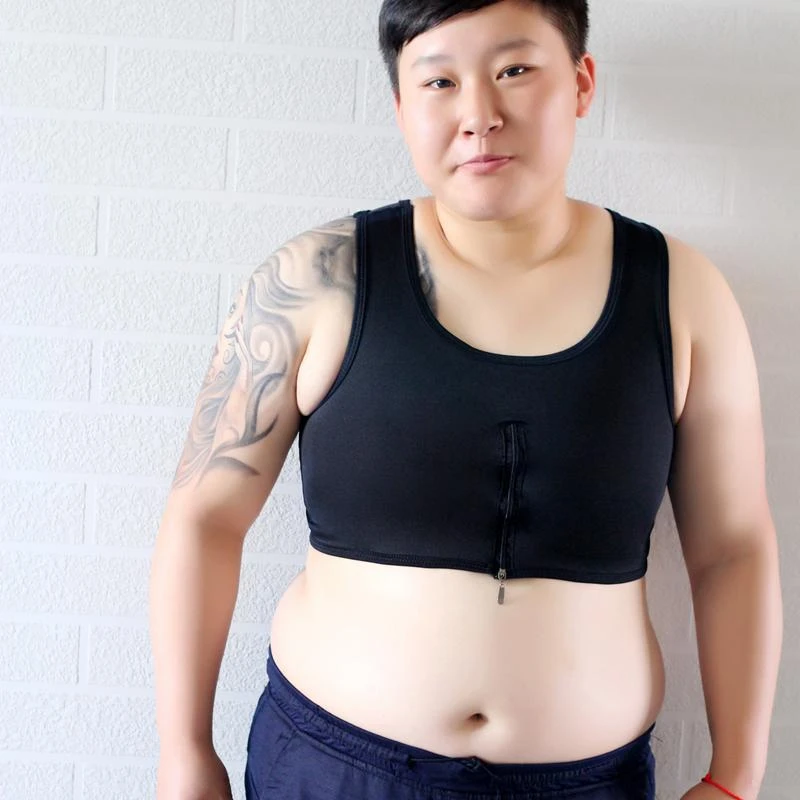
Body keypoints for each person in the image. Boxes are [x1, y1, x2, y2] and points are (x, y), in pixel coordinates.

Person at [149, 1, 783, 798]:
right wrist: (183, 751)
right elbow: (204, 518)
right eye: (440, 81)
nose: (479, 114)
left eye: (514, 70)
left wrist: (737, 775)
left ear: (581, 83)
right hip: (336, 770)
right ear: (401, 106)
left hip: (587, 785)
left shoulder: (683, 293)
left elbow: (732, 549)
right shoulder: (314, 280)